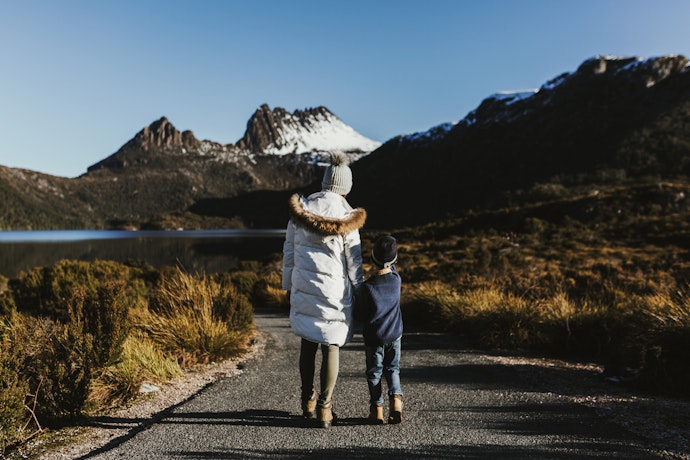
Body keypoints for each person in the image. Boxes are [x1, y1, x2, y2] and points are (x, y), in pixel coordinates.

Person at [282, 152, 366, 428]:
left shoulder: (301, 211)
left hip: (304, 286)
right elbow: (354, 261)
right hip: (334, 292)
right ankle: (325, 409)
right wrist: (360, 290)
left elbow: (290, 254)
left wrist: (287, 285)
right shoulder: (347, 218)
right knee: (331, 345)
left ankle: (307, 400)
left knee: (308, 342)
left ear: (325, 181)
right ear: (345, 187)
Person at [355, 235, 404, 425]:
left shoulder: (367, 288)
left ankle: (377, 409)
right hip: (394, 334)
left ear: (372, 259)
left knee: (374, 373)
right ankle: (396, 402)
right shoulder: (396, 280)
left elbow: (360, 314)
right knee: (392, 368)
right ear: (394, 261)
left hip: (374, 338)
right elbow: (391, 266)